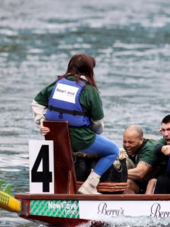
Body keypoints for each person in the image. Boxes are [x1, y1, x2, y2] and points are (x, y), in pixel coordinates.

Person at [31, 53, 118, 194]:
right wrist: (95, 135)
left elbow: (36, 103)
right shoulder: (89, 90)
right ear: (90, 69)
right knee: (113, 150)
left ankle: (60, 188)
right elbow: (98, 122)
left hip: (56, 137)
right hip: (80, 139)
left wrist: (42, 122)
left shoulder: (57, 84)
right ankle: (90, 186)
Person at [122, 125, 160, 194]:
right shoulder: (129, 148)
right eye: (124, 141)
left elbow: (139, 173)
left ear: (141, 140)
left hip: (156, 183)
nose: (127, 145)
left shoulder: (150, 148)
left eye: (131, 142)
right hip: (141, 182)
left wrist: (116, 173)